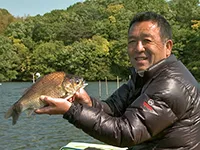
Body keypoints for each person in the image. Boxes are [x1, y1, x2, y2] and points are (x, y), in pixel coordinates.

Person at [35, 12, 200, 149]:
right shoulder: (143, 76)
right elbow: (112, 109)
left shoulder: (172, 85)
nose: (138, 48)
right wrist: (87, 103)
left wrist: (71, 111)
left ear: (168, 47)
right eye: (132, 42)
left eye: (147, 41)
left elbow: (126, 133)